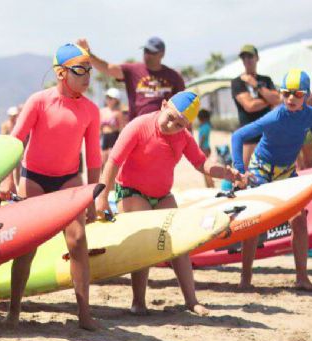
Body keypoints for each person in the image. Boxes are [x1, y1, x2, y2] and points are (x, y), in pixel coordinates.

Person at [95, 91, 242, 315]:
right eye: (171, 117)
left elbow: (201, 164)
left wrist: (226, 172)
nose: (172, 125)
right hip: (131, 191)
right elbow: (114, 161)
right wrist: (103, 197)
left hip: (162, 194)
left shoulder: (183, 137)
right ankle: (138, 302)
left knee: (179, 244)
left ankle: (191, 300)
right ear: (164, 105)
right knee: (144, 242)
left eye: (180, 124)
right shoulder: (139, 125)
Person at [0, 43, 101, 330]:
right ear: (60, 73)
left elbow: (93, 158)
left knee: (78, 241)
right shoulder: (39, 101)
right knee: (27, 247)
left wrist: (92, 196)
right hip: (34, 178)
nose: (87, 77)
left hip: (69, 179)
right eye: (80, 70)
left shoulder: (91, 110)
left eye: (89, 70)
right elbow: (15, 141)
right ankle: (14, 309)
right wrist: (8, 177)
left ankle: (84, 314)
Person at [232, 69, 312, 291]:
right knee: (253, 224)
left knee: (299, 221)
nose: (290, 98)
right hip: (262, 169)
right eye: (286, 93)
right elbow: (237, 136)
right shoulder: (275, 116)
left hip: (287, 172)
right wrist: (240, 170)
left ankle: (302, 278)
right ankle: (245, 280)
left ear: (307, 95)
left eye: (297, 94)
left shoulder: (311, 115)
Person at [77, 37, 185, 121]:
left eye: (151, 52)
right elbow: (108, 68)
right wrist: (88, 54)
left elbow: (183, 107)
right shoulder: (133, 70)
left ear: (162, 54)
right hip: (138, 129)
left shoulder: (173, 77)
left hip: (164, 130)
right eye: (145, 50)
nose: (147, 55)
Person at [230, 44, 280, 168]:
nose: (247, 60)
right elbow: (249, 106)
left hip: (268, 135)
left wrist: (256, 85)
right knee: (243, 176)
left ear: (257, 58)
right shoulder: (237, 82)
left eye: (250, 56)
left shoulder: (265, 80)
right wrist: (268, 99)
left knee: (272, 174)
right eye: (243, 57)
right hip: (249, 137)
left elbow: (278, 100)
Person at [99, 88, 125, 164]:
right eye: (107, 97)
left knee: (111, 160)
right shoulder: (102, 111)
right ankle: (103, 175)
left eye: (110, 98)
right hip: (104, 136)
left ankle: (112, 175)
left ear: (116, 100)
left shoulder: (118, 113)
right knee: (102, 159)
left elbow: (121, 127)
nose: (108, 100)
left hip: (114, 136)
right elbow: (99, 127)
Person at [196, 109, 215, 187]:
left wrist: (198, 147)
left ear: (202, 118)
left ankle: (210, 185)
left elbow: (202, 138)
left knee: (205, 168)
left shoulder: (204, 126)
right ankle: (209, 185)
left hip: (204, 148)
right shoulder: (207, 126)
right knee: (205, 168)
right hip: (206, 148)